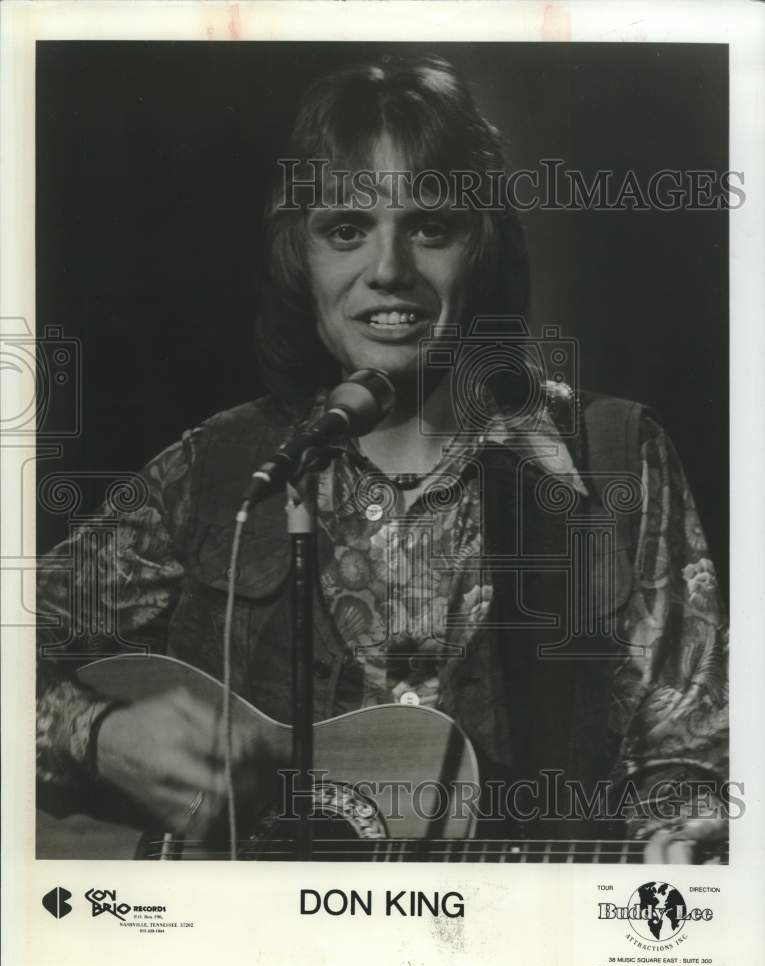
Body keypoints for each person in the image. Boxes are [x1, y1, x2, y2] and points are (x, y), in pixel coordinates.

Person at [36, 54, 729, 862]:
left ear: (486, 247)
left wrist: (682, 838)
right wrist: (98, 735)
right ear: (301, 258)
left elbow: (690, 753)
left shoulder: (610, 461)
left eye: (431, 228)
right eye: (345, 230)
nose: (389, 270)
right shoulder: (218, 469)